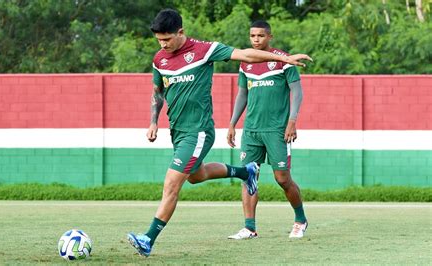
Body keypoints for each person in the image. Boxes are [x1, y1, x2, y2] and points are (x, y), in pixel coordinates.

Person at [127, 9, 312, 257]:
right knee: (195, 175)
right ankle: (245, 172)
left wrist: (284, 59)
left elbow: (244, 54)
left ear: (180, 32)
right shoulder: (160, 59)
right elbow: (157, 92)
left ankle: (148, 239)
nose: (163, 45)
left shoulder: (205, 50)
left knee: (172, 183)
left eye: (167, 39)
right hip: (178, 132)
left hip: (199, 131)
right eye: (159, 40)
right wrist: (153, 122)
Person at [226, 20, 308, 240]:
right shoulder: (246, 64)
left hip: (277, 131)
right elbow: (242, 94)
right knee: (248, 177)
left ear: (269, 37)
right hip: (251, 131)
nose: (255, 40)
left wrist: (292, 120)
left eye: (260, 36)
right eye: (252, 36)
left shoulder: (284, 61)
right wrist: (233, 123)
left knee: (282, 179)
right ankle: (249, 227)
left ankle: (300, 220)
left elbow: (297, 92)